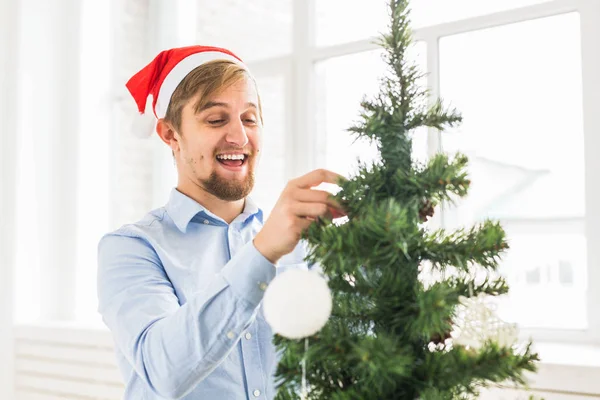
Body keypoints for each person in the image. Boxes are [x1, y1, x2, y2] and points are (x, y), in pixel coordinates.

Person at [97, 45, 346, 400]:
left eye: (249, 118)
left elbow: (359, 353)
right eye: (216, 120)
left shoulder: (301, 240)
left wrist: (387, 250)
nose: (240, 137)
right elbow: (163, 370)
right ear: (170, 134)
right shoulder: (131, 248)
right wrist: (261, 254)